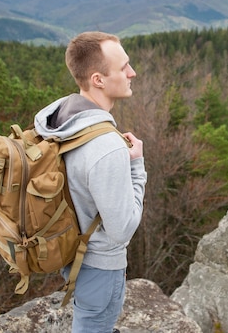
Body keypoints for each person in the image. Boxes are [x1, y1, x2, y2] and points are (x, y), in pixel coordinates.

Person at [34, 31, 147, 333]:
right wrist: (137, 166)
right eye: (123, 66)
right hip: (100, 267)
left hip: (73, 254)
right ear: (98, 79)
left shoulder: (63, 119)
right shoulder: (106, 146)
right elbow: (122, 229)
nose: (131, 72)